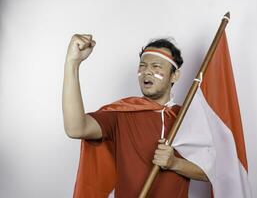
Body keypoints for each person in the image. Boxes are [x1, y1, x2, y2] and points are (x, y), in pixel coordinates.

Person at [62, 34, 208, 197]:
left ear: (174, 75)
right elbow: (76, 128)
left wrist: (175, 163)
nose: (147, 72)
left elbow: (211, 172)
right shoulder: (121, 114)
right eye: (143, 66)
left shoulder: (186, 117)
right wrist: (72, 63)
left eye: (156, 66)